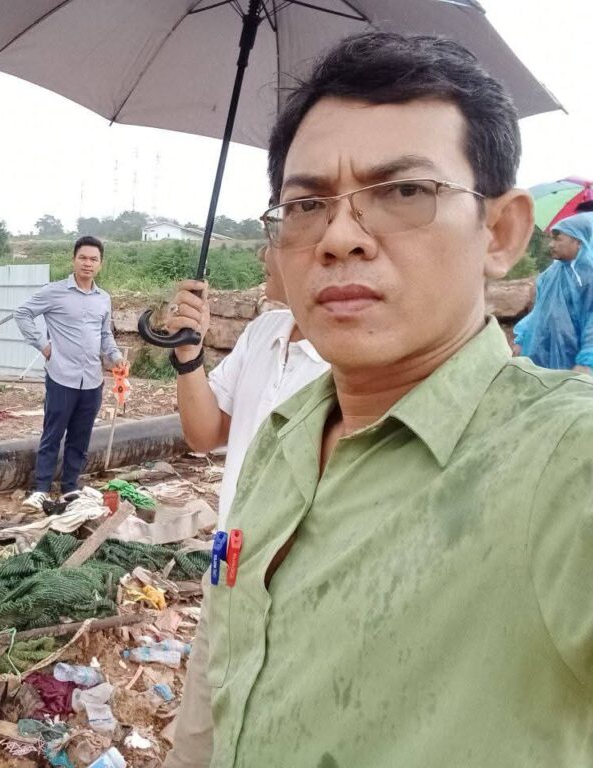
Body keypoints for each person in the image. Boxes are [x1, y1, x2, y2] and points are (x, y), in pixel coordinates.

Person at [165, 31, 593, 768]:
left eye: (404, 192)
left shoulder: (563, 462)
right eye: (306, 204)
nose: (339, 237)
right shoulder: (284, 435)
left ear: (500, 232)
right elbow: (219, 675)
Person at [167, 246, 329, 528]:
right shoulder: (262, 331)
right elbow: (204, 437)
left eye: (274, 237)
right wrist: (188, 354)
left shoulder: (353, 361)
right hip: (234, 547)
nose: (262, 253)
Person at [14, 235, 126, 509]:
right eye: (83, 258)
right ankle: (41, 488)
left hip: (92, 380)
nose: (88, 263)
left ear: (100, 264)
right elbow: (23, 313)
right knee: (53, 433)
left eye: (94, 259)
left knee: (81, 435)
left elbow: (105, 335)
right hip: (61, 376)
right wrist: (43, 345)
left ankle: (69, 487)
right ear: (73, 260)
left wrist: (116, 357)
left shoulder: (103, 299)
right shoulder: (54, 292)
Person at [512, 212, 593, 372]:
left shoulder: (587, 278)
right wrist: (521, 339)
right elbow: (539, 311)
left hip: (573, 361)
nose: (551, 244)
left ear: (578, 241)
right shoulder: (550, 274)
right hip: (539, 352)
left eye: (557, 239)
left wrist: (586, 360)